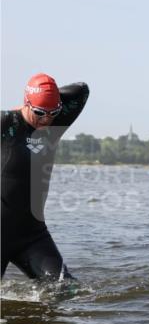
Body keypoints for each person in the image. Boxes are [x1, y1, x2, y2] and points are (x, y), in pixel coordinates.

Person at [2, 73, 89, 283]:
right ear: (26, 103)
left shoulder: (55, 124)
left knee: (66, 290)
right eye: (40, 113)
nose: (46, 119)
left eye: (53, 113)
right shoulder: (5, 123)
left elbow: (82, 89)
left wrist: (47, 93)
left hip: (32, 234)